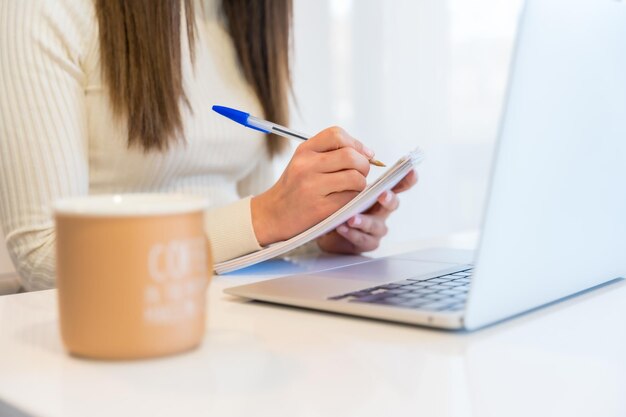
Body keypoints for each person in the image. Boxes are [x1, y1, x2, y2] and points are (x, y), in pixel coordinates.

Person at [0, 0, 417, 292]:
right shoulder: (46, 10)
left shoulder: (244, 16)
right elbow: (42, 258)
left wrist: (316, 234)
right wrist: (268, 215)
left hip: (229, 312)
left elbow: (238, 219)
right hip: (116, 326)